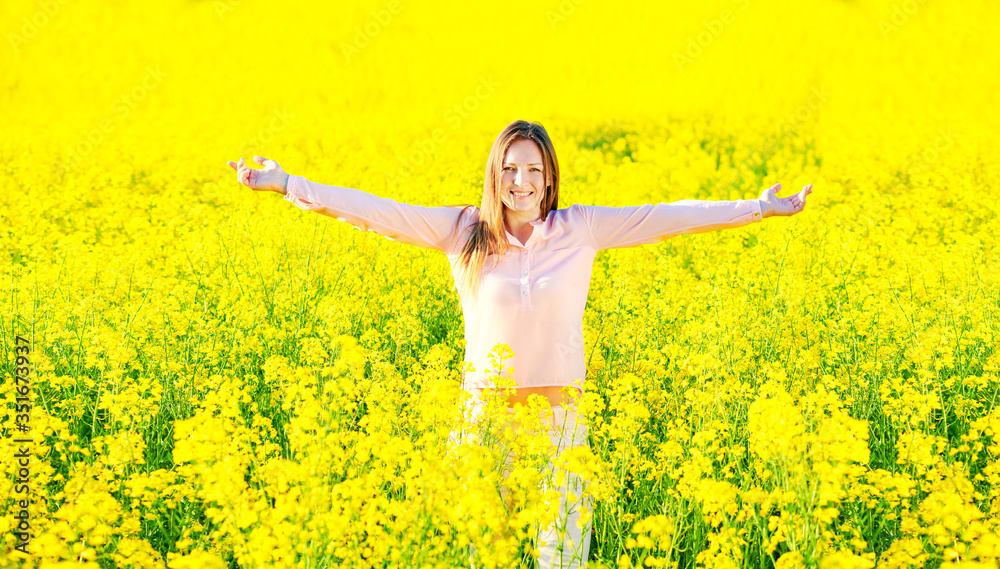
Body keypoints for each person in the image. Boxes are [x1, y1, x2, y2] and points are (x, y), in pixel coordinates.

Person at [227, 119, 813, 568]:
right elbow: (378, 213)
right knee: (489, 555)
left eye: (533, 169)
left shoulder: (580, 228)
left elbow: (667, 217)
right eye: (509, 169)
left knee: (562, 558)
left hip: (560, 426)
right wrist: (287, 185)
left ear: (550, 177)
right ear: (495, 174)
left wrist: (758, 209)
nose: (521, 182)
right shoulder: (464, 232)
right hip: (484, 425)